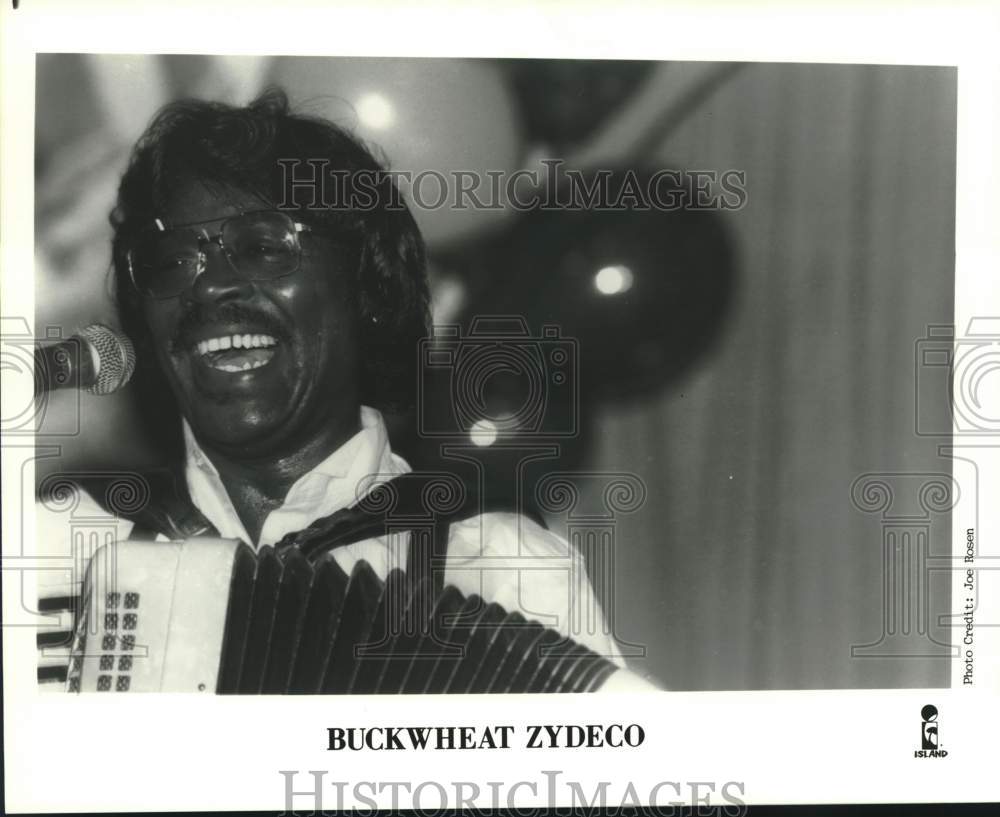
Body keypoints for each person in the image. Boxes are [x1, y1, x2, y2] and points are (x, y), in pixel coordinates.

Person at [35, 88, 622, 691]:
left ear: (365, 288)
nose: (208, 289)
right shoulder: (54, 549)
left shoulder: (505, 569)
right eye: (171, 262)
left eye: (263, 248)